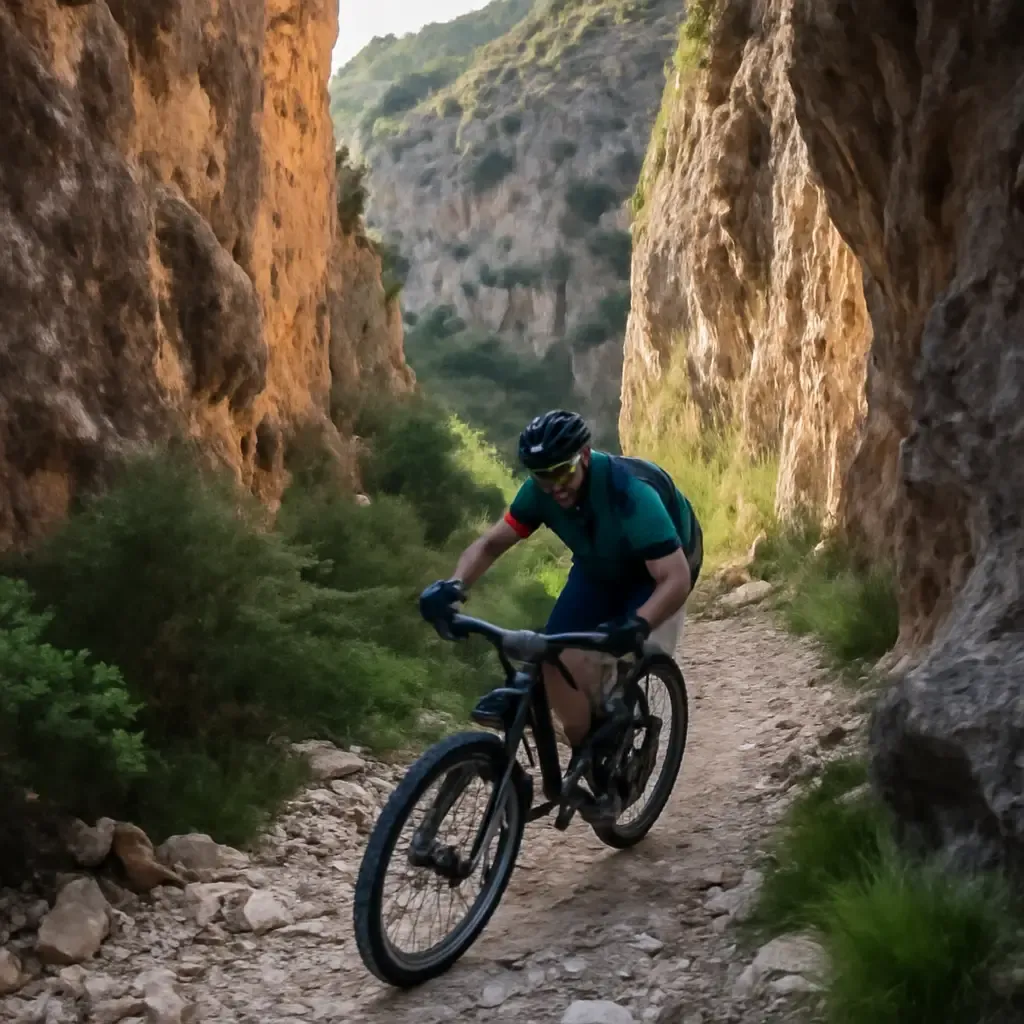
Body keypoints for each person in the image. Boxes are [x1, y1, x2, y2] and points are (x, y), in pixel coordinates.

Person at [419, 409, 703, 816]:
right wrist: (452, 587)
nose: (554, 486)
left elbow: (673, 579)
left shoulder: (630, 494)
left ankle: (625, 736)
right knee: (554, 656)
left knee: (627, 651)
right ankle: (591, 747)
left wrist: (637, 624)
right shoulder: (541, 490)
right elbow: (490, 545)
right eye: (541, 476)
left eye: (561, 472)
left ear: (584, 454)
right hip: (599, 567)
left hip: (660, 567)